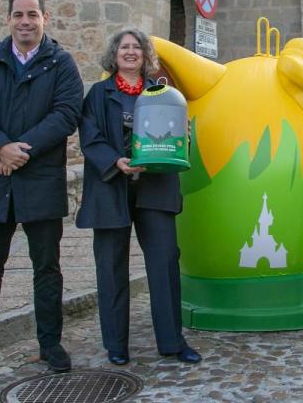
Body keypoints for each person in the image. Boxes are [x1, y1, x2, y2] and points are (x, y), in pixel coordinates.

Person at [0, 0, 84, 374]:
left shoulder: (61, 63)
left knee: (47, 267)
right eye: (18, 15)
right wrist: (0, 148)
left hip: (40, 179)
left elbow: (66, 114)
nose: (25, 21)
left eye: (32, 14)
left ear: (45, 17)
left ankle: (50, 344)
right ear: (8, 19)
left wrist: (19, 151)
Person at [76, 28, 201, 365]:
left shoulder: (163, 94)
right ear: (114, 55)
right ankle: (116, 345)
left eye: (137, 48)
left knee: (164, 264)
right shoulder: (98, 95)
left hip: (155, 187)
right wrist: (114, 161)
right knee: (111, 267)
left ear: (146, 56)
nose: (130, 52)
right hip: (111, 186)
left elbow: (176, 141)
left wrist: (182, 136)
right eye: (124, 48)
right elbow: (89, 137)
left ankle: (173, 342)